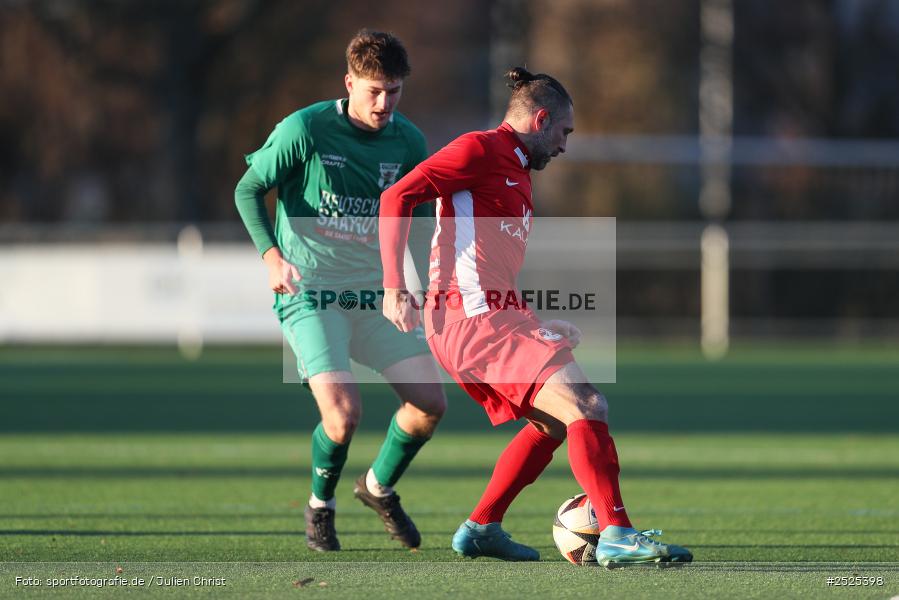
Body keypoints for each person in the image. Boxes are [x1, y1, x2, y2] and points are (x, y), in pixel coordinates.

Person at [378, 67, 692, 567]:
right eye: (565, 132)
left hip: (490, 316)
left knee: (553, 422)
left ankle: (481, 526)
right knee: (586, 403)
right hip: (471, 321)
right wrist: (395, 285)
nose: (566, 145)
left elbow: (486, 266)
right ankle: (617, 532)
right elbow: (396, 197)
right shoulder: (479, 148)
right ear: (541, 118)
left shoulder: (517, 169)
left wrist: (533, 320)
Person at [234, 29, 446, 553]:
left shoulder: (410, 143)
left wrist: (427, 289)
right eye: (373, 90)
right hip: (310, 292)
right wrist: (272, 256)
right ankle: (319, 507)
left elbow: (417, 224)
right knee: (344, 414)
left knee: (429, 405)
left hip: (373, 297)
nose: (383, 103)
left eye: (393, 91)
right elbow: (248, 189)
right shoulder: (305, 129)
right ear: (349, 82)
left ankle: (377, 488)